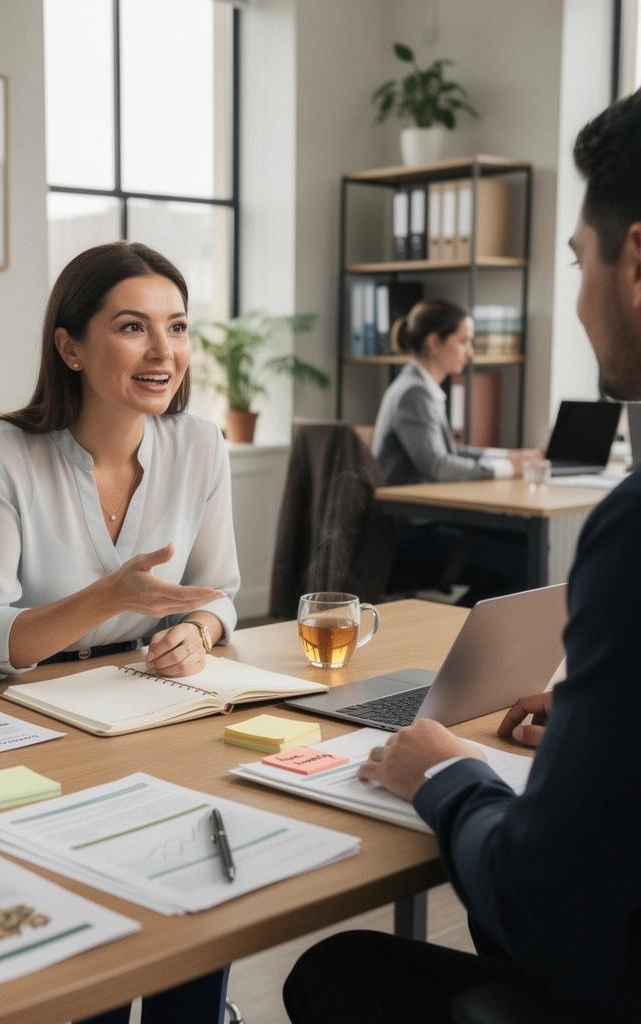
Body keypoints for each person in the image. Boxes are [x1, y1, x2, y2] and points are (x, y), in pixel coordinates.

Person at [282, 89, 641, 1024]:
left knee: (334, 973)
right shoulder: (412, 392)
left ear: (635, 262)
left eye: (577, 259)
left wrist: (444, 770)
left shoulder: (635, 531)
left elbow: (541, 908)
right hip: (412, 533)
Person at [0, 241, 239, 1024]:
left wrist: (200, 631)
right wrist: (104, 598)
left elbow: (224, 592)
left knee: (195, 889)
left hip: (139, 700)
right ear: (69, 346)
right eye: (133, 328)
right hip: (18, 701)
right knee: (83, 934)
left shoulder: (200, 445)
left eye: (176, 327)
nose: (163, 352)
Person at [372, 299, 539, 486]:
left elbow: (450, 451)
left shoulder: (419, 384)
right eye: (463, 342)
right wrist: (508, 468)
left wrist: (508, 456)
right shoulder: (414, 393)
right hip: (408, 511)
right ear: (434, 342)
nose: (470, 353)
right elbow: (438, 466)